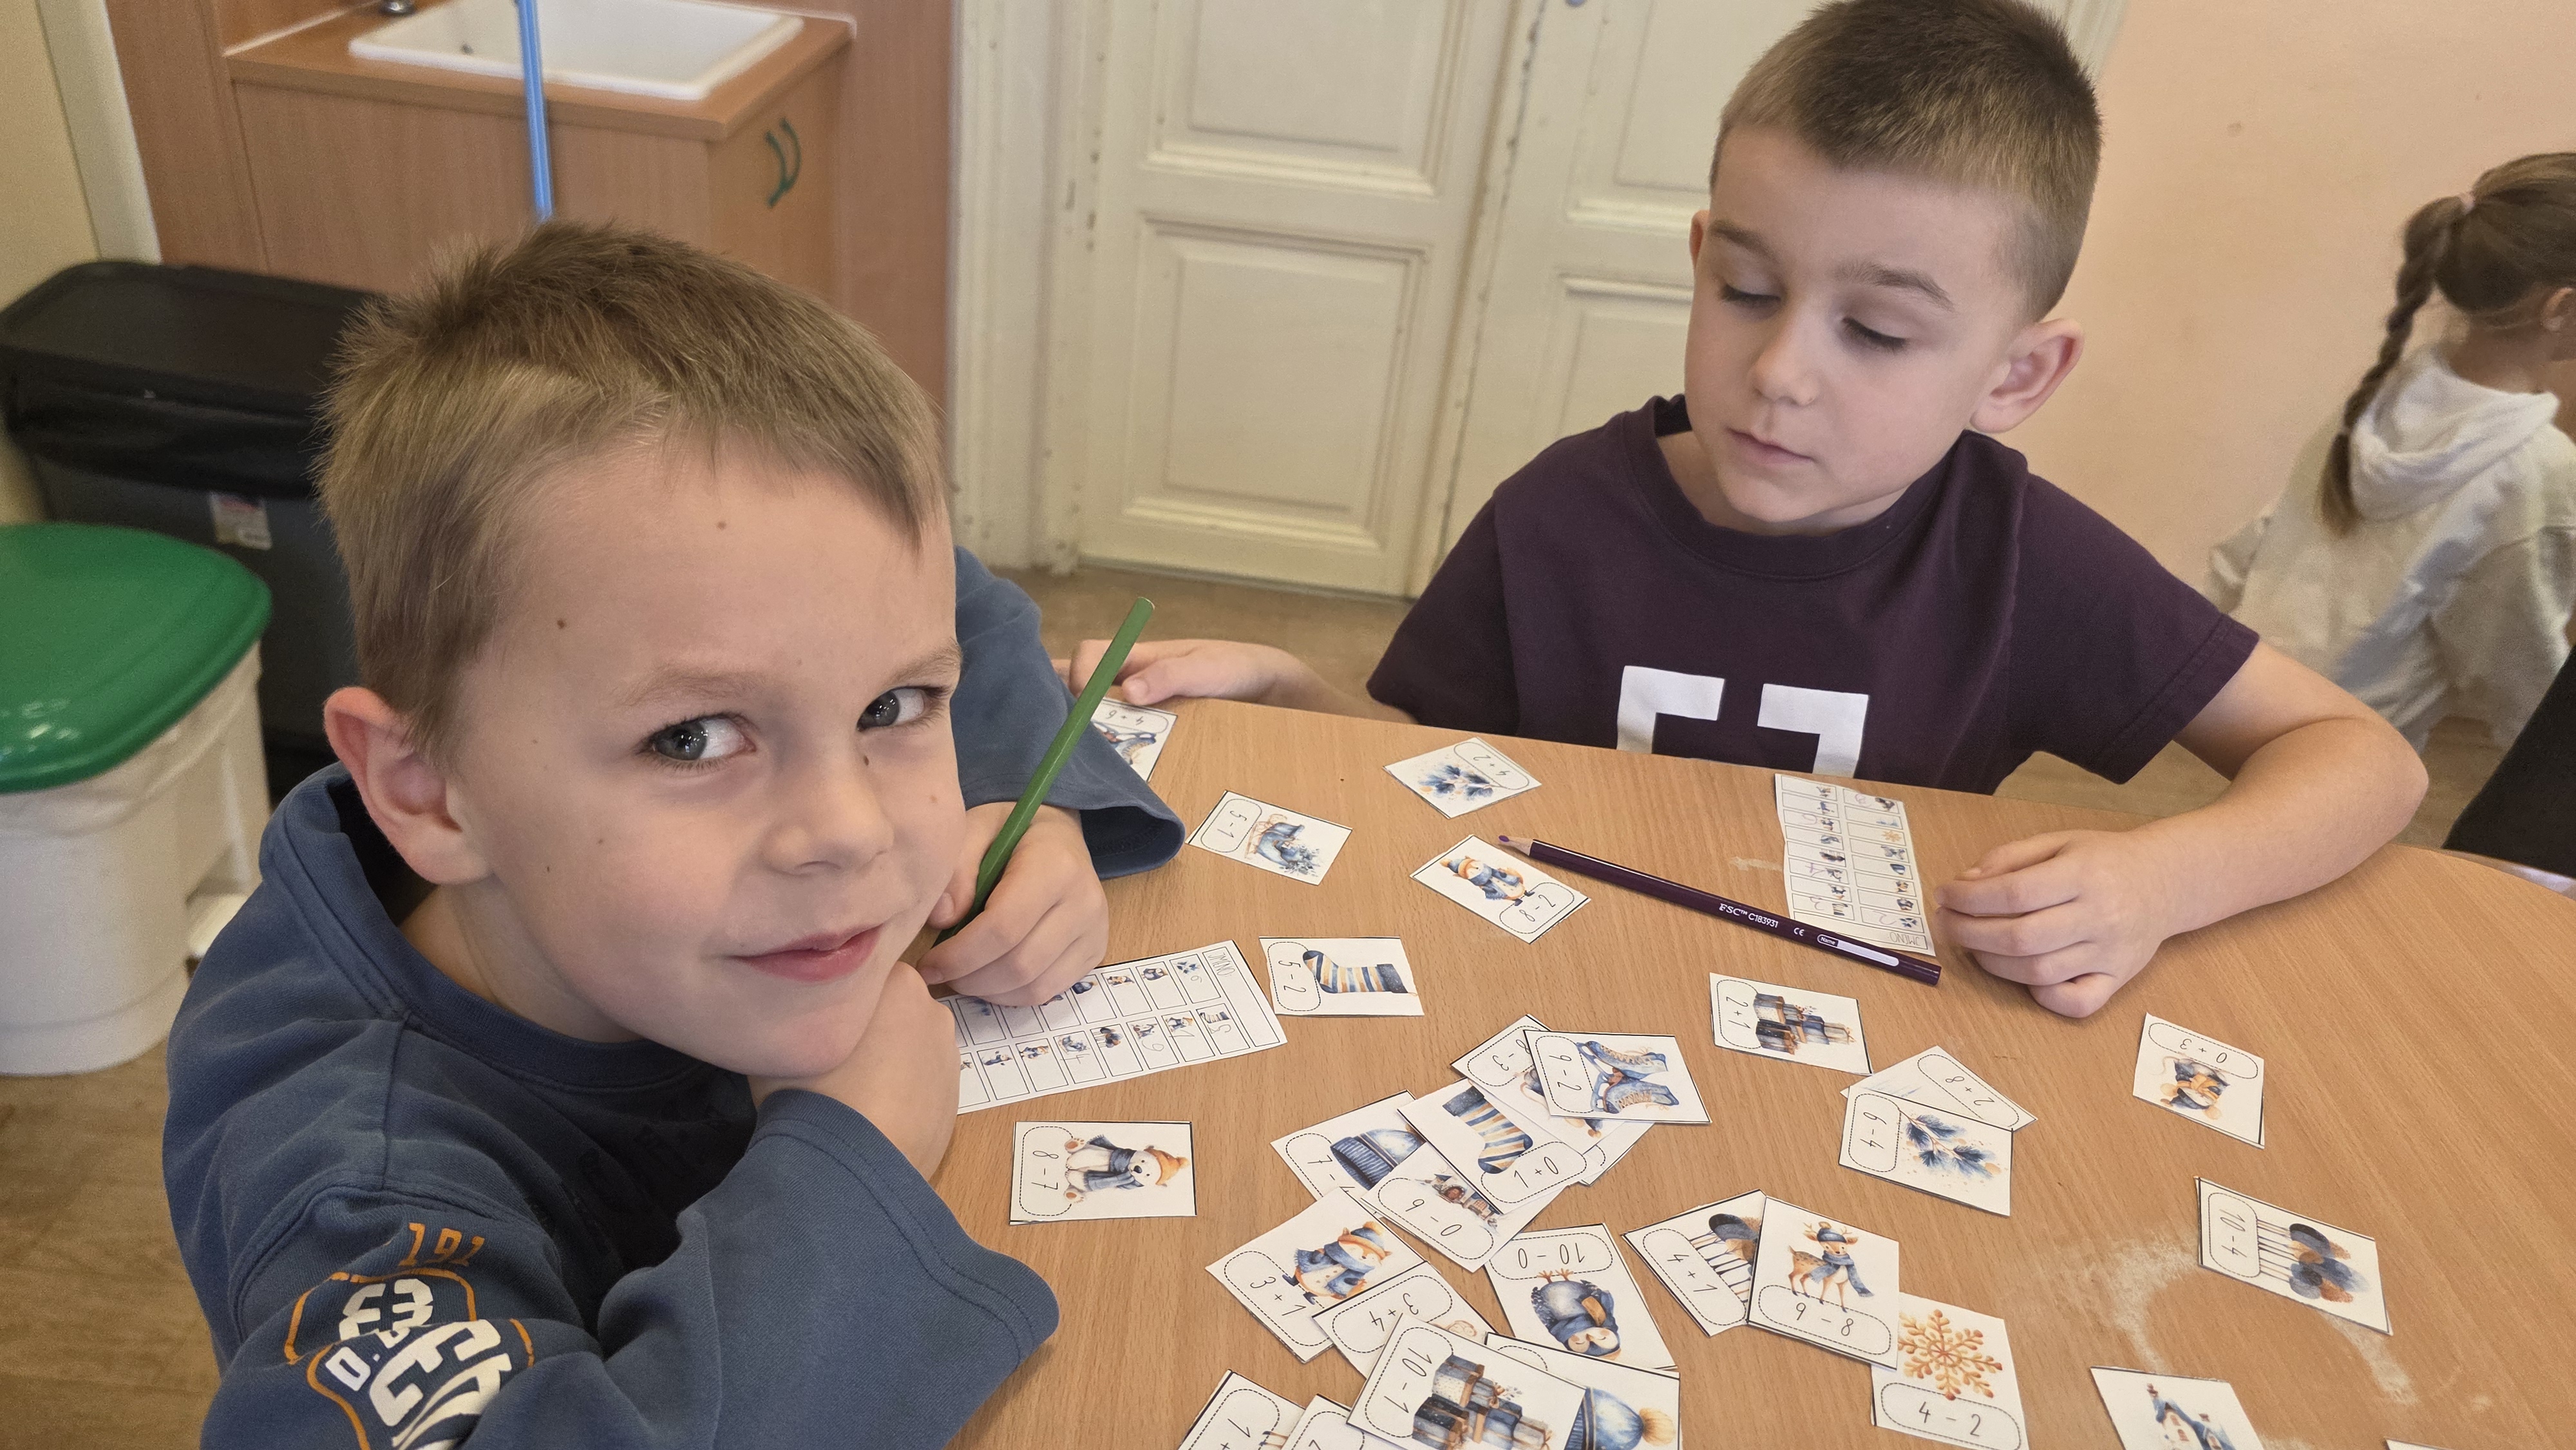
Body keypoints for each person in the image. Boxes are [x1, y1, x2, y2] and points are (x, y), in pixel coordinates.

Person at [1060, 0, 2426, 1018]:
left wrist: (2162, 882)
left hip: (1850, 1024)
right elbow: (1431, 766)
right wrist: (1294, 695)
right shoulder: (1558, 515)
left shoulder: (2023, 560)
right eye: (1749, 292)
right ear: (1701, 256)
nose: (1779, 373)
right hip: (1543, 999)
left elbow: (2364, 761)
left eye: (1876, 332)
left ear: (2014, 376)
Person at [161, 221, 1179, 1449]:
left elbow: (960, 600)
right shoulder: (354, 1173)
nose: (851, 831)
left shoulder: (660, 803)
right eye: (695, 738)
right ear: (430, 794)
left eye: (891, 707)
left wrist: (1029, 805)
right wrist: (844, 1162)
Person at [2208, 155, 2576, 753]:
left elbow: (2264, 536)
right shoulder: (2537, 466)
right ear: (2558, 308)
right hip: (2350, 746)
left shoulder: (2383, 394)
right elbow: (2519, 663)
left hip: (2253, 695)